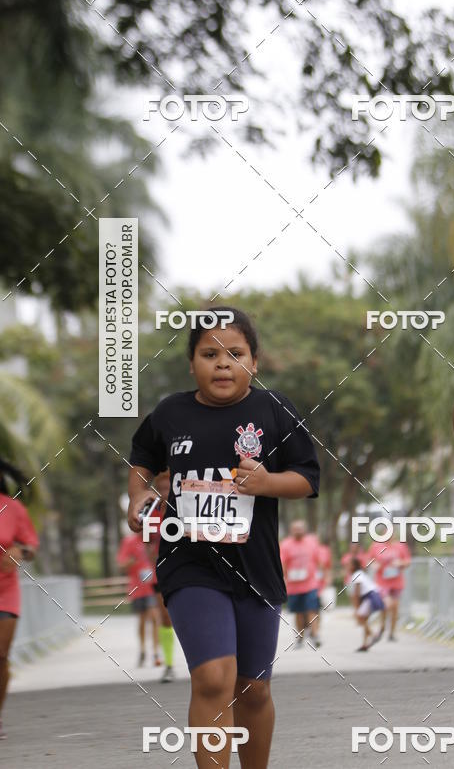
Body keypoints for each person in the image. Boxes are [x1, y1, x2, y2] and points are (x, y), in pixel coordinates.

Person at [127, 306, 320, 769]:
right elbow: (142, 461)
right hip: (188, 563)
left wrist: (267, 483)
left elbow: (308, 478)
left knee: (253, 689)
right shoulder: (170, 412)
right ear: (191, 362)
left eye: (235, 353)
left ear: (254, 361)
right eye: (209, 353)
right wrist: (137, 499)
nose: (222, 363)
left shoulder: (274, 409)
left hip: (256, 568)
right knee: (213, 680)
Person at [0, 458, 38, 739]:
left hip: (5, 591)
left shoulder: (12, 508)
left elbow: (31, 546)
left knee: (0, 656)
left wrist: (20, 552)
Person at [145, 470, 176, 682]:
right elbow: (147, 544)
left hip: (186, 570)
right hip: (160, 574)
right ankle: (169, 664)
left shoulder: (185, 507)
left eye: (168, 487)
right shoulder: (151, 513)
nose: (165, 491)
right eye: (161, 487)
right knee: (165, 618)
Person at [116, 530, 160, 667]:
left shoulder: (154, 540)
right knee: (142, 620)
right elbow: (121, 565)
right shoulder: (129, 541)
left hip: (153, 586)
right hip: (137, 588)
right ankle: (142, 649)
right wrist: (132, 561)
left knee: (154, 617)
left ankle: (156, 652)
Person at [280, 520, 322, 648]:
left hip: (310, 584)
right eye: (295, 529)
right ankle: (300, 636)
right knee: (298, 612)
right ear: (291, 531)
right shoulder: (286, 544)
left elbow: (318, 560)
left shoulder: (311, 542)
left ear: (304, 530)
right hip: (294, 585)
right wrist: (283, 579)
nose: (298, 531)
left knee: (312, 609)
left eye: (300, 529)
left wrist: (321, 577)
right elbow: (283, 563)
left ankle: (315, 635)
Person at [366, 538, 411, 641]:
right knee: (387, 604)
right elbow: (369, 560)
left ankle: (392, 632)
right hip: (382, 582)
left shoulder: (400, 546)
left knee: (394, 607)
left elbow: (408, 561)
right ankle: (382, 627)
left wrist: (401, 563)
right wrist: (374, 565)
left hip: (396, 582)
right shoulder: (376, 546)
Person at [350, 557, 386, 651]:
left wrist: (357, 608)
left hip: (370, 597)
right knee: (365, 620)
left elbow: (357, 592)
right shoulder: (361, 573)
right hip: (374, 595)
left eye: (349, 564)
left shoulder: (356, 574)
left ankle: (373, 635)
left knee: (361, 617)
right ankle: (365, 644)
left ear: (353, 566)